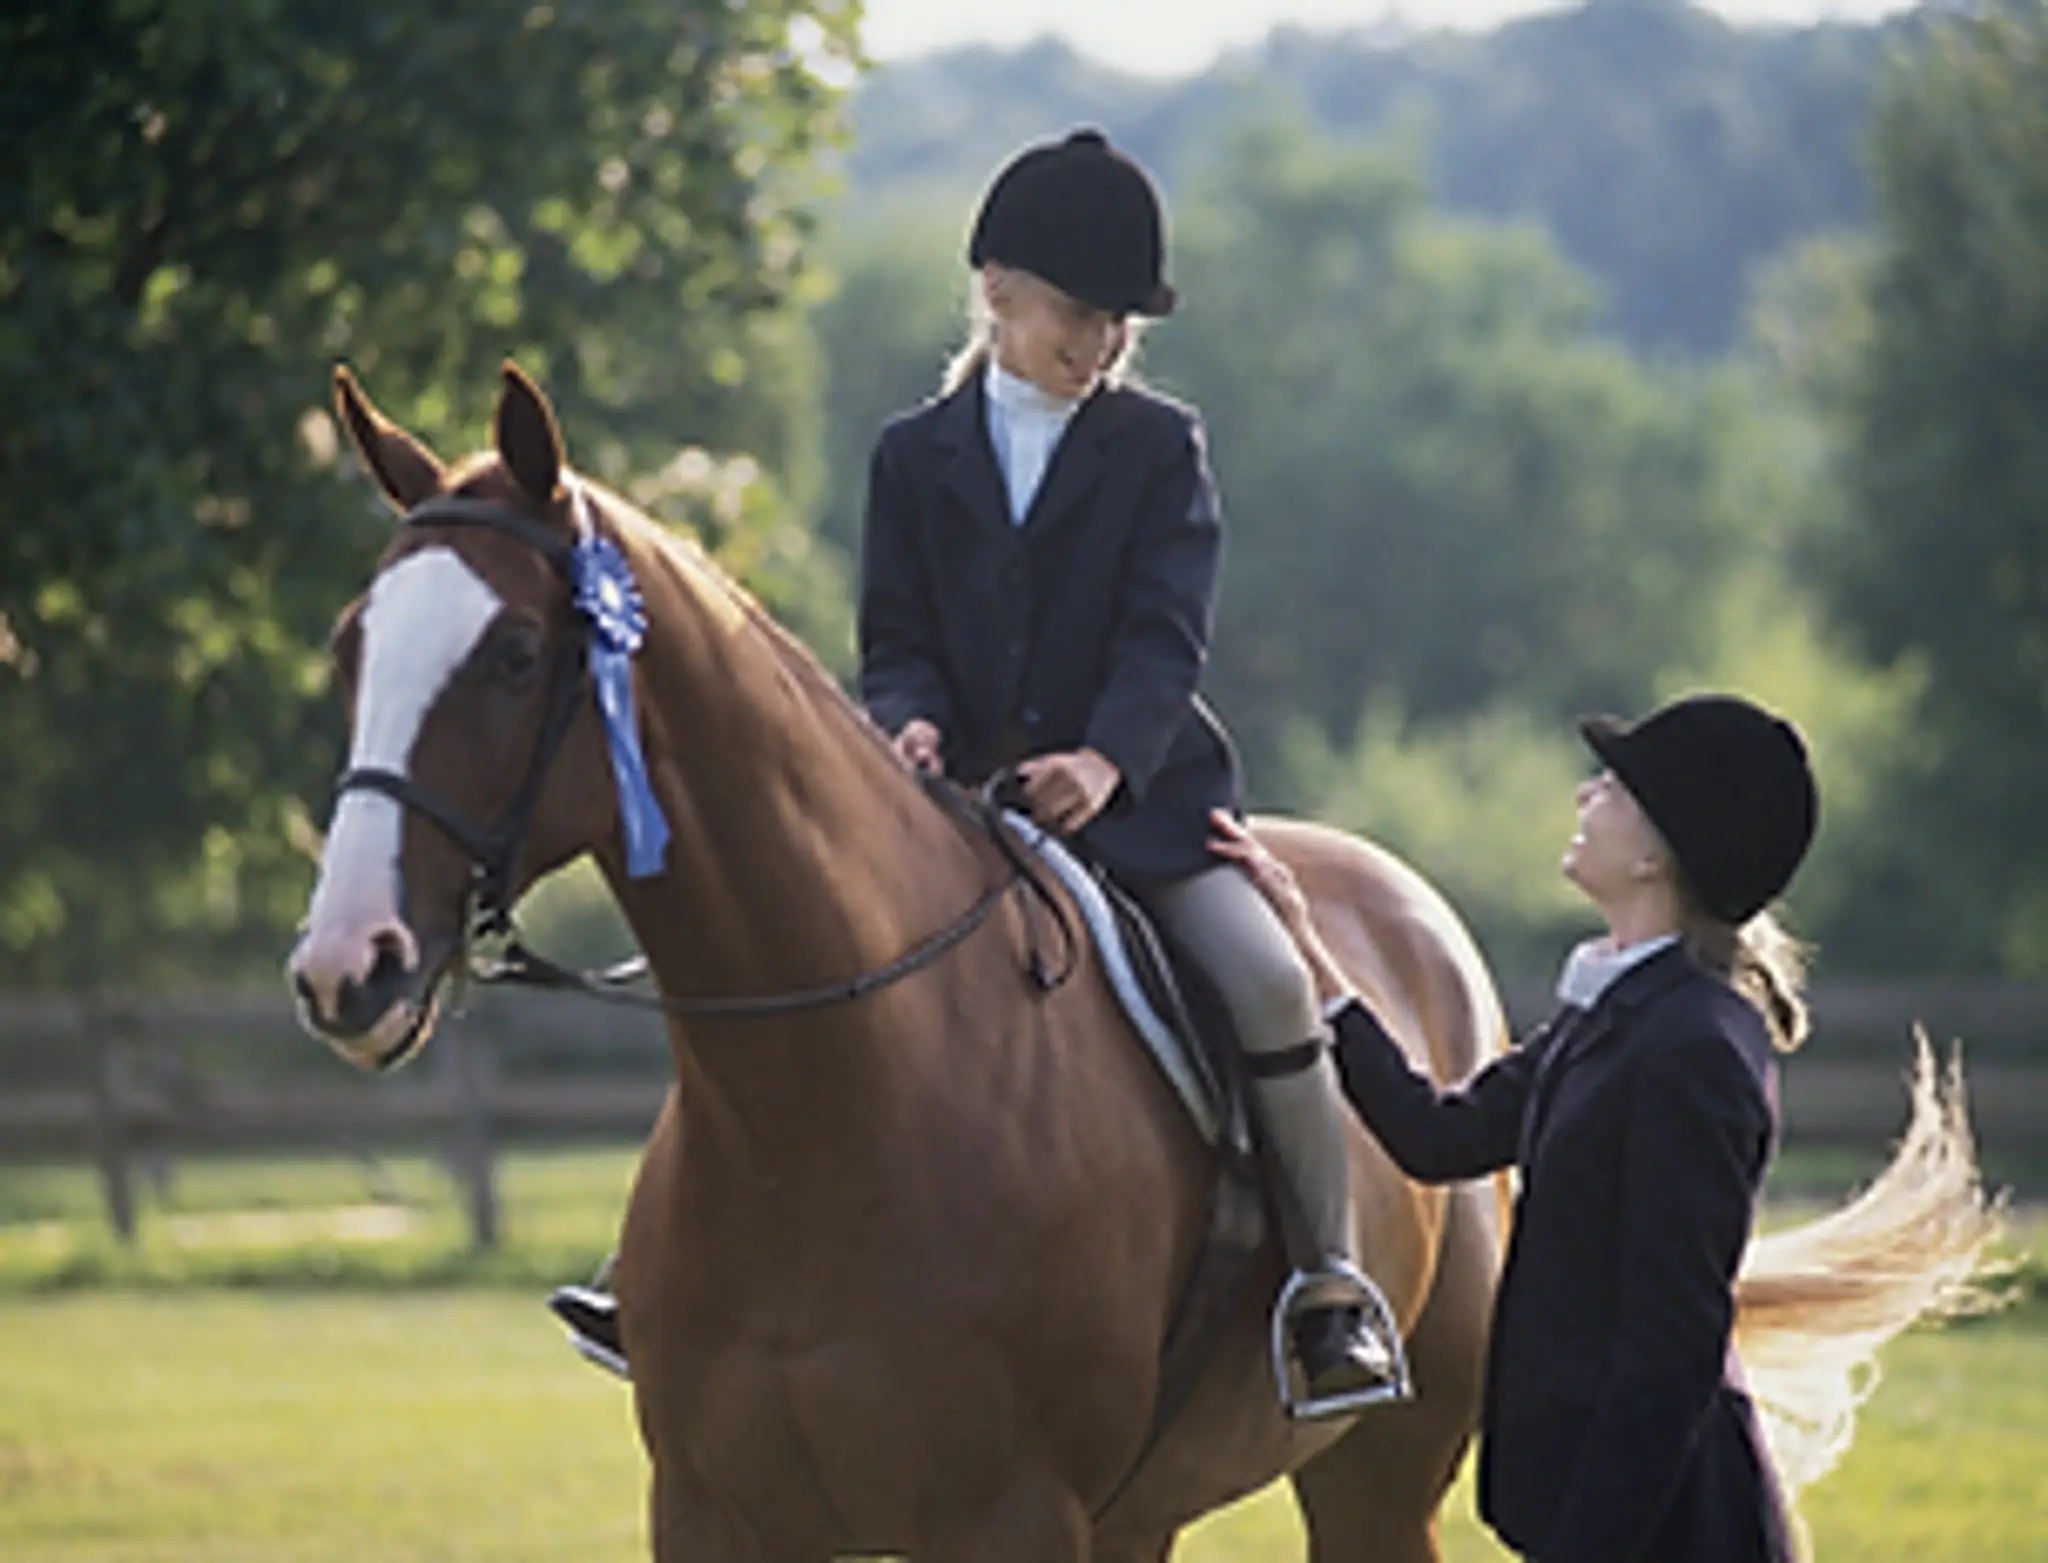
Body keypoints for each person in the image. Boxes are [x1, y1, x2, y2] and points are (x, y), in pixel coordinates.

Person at [551, 126, 1396, 1406]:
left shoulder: (1157, 447)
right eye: (1078, 313)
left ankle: (1326, 1289)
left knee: (1271, 982)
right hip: (948, 812)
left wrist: (1103, 762)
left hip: (1135, 809)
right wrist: (907, 724)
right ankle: (659, 1271)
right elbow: (895, 637)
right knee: (773, 963)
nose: (1100, 342)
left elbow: (1163, 640)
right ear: (996, 290)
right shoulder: (912, 454)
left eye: (1116, 322)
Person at [1209, 691, 1818, 1563]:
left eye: (1613, 788)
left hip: (1656, 1527)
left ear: (1654, 856)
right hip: (1595, 1504)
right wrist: (1312, 956)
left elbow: (1670, 1350)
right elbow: (1437, 1135)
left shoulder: (1693, 1050)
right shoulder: (1613, 1011)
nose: (1585, 795)